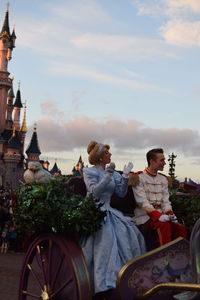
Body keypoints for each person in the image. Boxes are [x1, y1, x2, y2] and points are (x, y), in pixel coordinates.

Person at [81, 141, 146, 300]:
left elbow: (121, 193)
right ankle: (103, 283)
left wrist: (124, 176)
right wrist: (108, 175)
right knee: (107, 235)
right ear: (100, 157)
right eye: (107, 153)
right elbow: (94, 193)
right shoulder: (89, 171)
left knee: (131, 232)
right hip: (93, 210)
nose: (110, 155)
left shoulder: (114, 173)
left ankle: (126, 277)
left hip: (109, 210)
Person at [131, 148, 187, 246]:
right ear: (152, 161)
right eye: (162, 160)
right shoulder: (138, 178)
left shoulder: (163, 179)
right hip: (145, 216)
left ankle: (181, 256)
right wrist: (158, 216)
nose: (165, 163)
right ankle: (165, 258)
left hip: (163, 215)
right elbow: (142, 202)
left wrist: (170, 214)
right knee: (164, 226)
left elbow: (165, 201)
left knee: (180, 228)